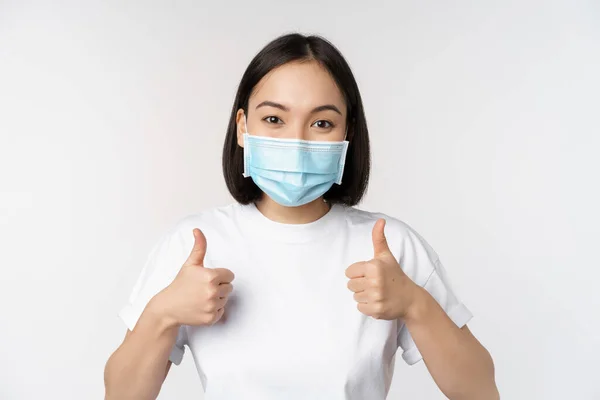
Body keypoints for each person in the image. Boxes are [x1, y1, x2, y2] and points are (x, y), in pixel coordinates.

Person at [104, 33, 498, 400]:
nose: (296, 141)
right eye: (274, 119)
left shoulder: (390, 247)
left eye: (322, 123)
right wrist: (161, 313)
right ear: (242, 128)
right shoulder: (194, 245)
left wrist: (416, 304)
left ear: (348, 134)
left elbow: (480, 392)